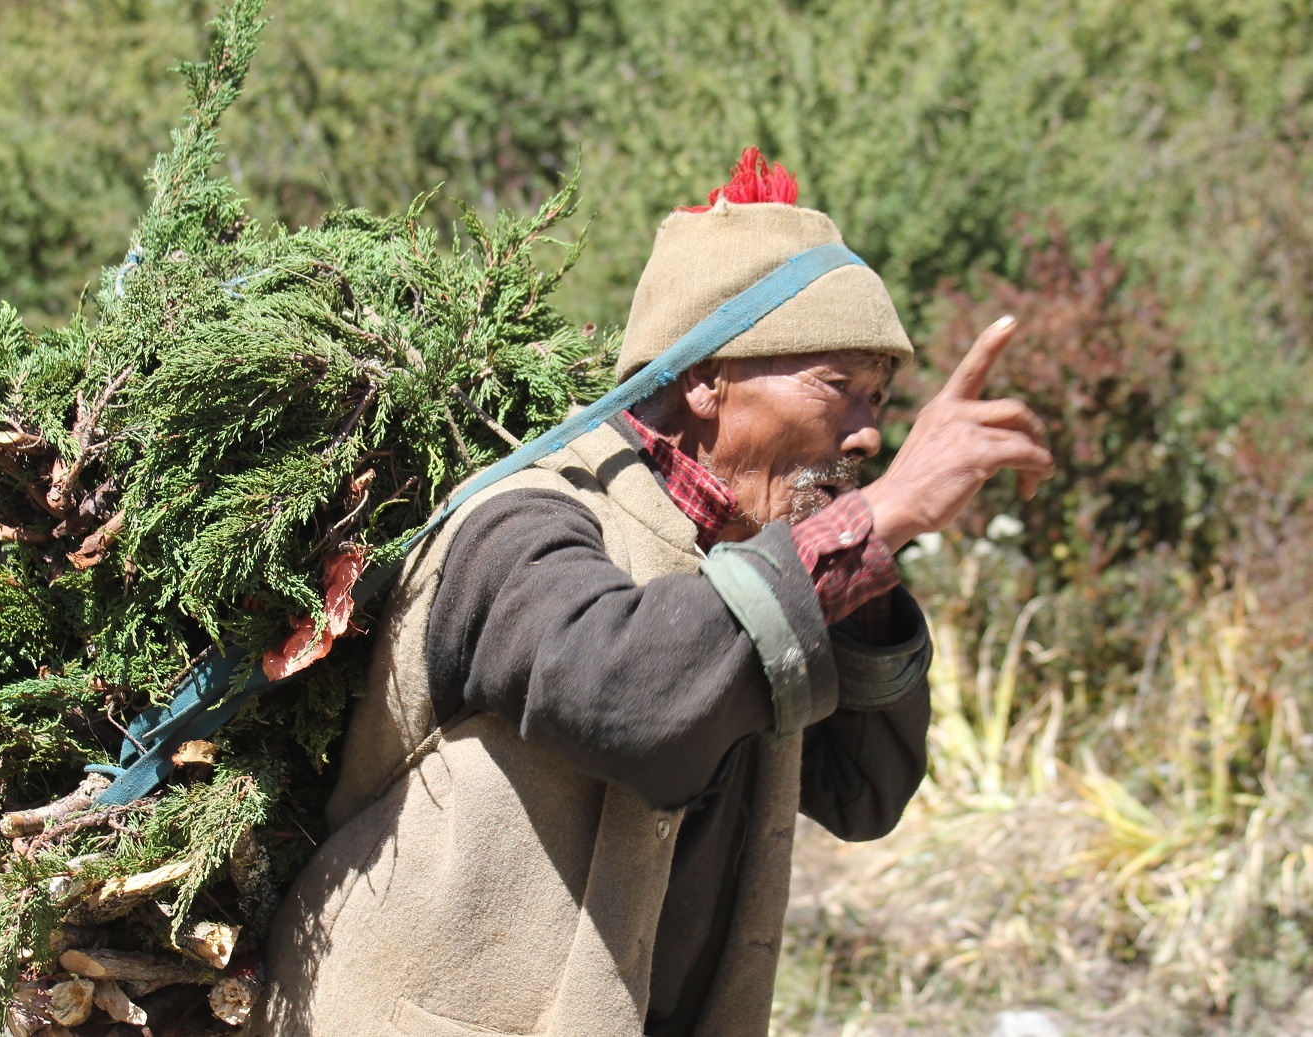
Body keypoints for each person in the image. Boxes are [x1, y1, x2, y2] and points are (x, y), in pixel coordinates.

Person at [256, 149, 1054, 1037]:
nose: (868, 434)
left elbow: (866, 790)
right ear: (705, 377)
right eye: (838, 386)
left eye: (879, 397)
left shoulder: (754, 559)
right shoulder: (524, 518)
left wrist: (860, 559)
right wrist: (877, 517)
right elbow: (630, 699)